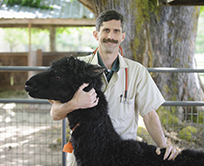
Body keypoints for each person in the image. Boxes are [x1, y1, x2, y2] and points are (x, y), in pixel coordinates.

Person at [49, 9, 178, 166]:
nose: (111, 36)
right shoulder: (75, 69)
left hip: (122, 157)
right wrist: (74, 103)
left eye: (116, 31)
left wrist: (163, 146)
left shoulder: (137, 71)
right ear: (96, 34)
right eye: (106, 30)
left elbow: (149, 115)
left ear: (122, 36)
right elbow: (55, 112)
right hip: (85, 155)